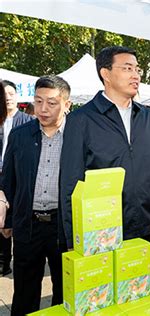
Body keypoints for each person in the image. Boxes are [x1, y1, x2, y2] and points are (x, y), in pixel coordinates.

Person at [60, 46, 150, 273]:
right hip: (102, 230)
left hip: (147, 226)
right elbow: (71, 182)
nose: (136, 75)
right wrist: (74, 237)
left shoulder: (149, 118)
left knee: (147, 296)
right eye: (127, 68)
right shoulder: (82, 120)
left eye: (137, 69)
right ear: (106, 74)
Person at [0, 76, 71, 315]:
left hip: (64, 227)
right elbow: (8, 181)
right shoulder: (20, 135)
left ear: (67, 104)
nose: (42, 109)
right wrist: (8, 220)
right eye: (38, 101)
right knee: (24, 293)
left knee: (65, 293)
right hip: (27, 225)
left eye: (51, 103)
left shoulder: (79, 137)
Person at [0, 80, 33, 277]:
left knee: (15, 216)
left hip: (18, 176)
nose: (8, 97)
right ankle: (3, 262)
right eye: (4, 94)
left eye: (11, 93)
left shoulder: (27, 121)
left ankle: (14, 258)